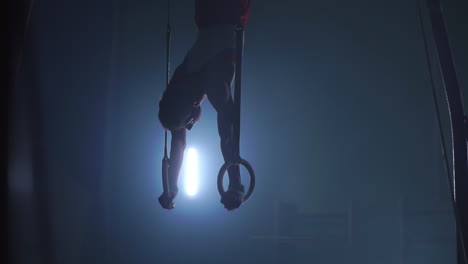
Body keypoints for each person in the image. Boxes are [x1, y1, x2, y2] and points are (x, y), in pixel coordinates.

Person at [158, 0, 251, 211]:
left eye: (188, 123)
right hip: (207, 15)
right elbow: (178, 139)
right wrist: (171, 185)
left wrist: (236, 184)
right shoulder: (179, 85)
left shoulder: (215, 86)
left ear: (191, 110)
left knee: (226, 123)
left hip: (230, 11)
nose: (191, 126)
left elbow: (228, 136)